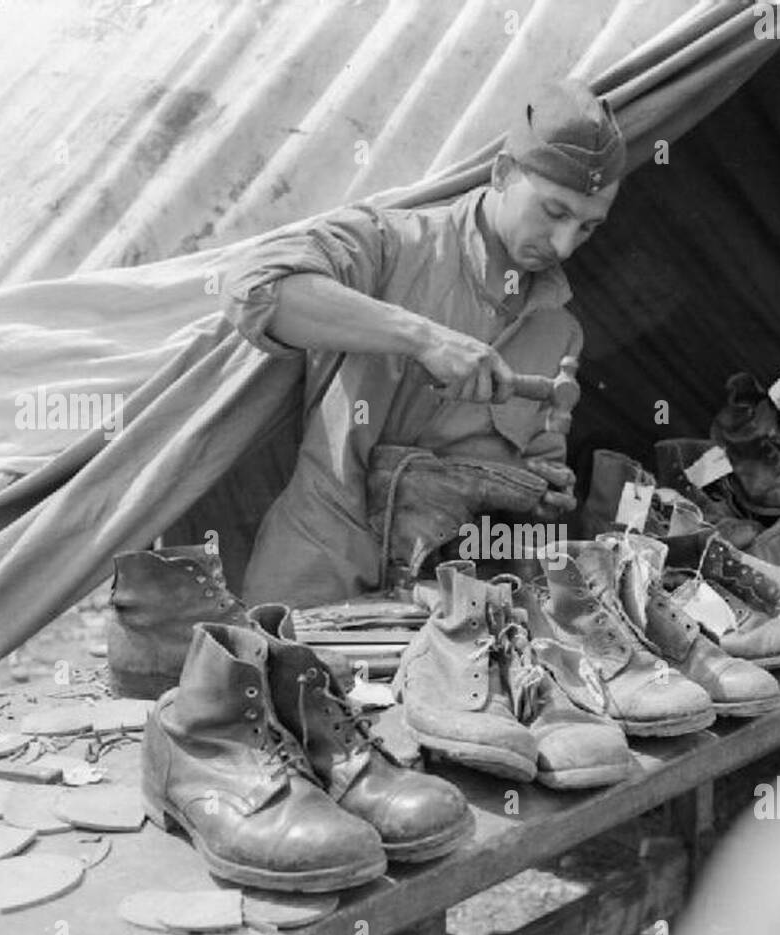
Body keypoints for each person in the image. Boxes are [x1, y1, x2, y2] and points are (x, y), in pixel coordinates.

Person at [221, 80, 625, 607]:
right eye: (553, 212)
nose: (565, 245)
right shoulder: (391, 246)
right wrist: (422, 337)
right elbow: (254, 290)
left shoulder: (560, 331)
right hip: (323, 572)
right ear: (503, 173)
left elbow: (541, 461)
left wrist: (542, 489)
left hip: (451, 603)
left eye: (589, 228)